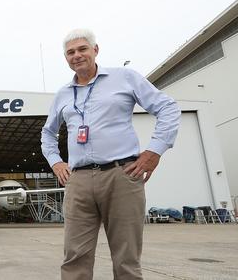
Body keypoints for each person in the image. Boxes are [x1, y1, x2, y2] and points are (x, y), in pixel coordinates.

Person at [41, 29, 181, 279]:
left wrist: (154, 151)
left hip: (122, 174)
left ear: (95, 50)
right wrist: (56, 162)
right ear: (66, 58)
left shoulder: (124, 78)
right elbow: (47, 133)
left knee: (126, 256)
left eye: (82, 49)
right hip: (79, 179)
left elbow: (167, 108)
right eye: (70, 52)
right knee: (75, 256)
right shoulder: (63, 94)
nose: (77, 55)